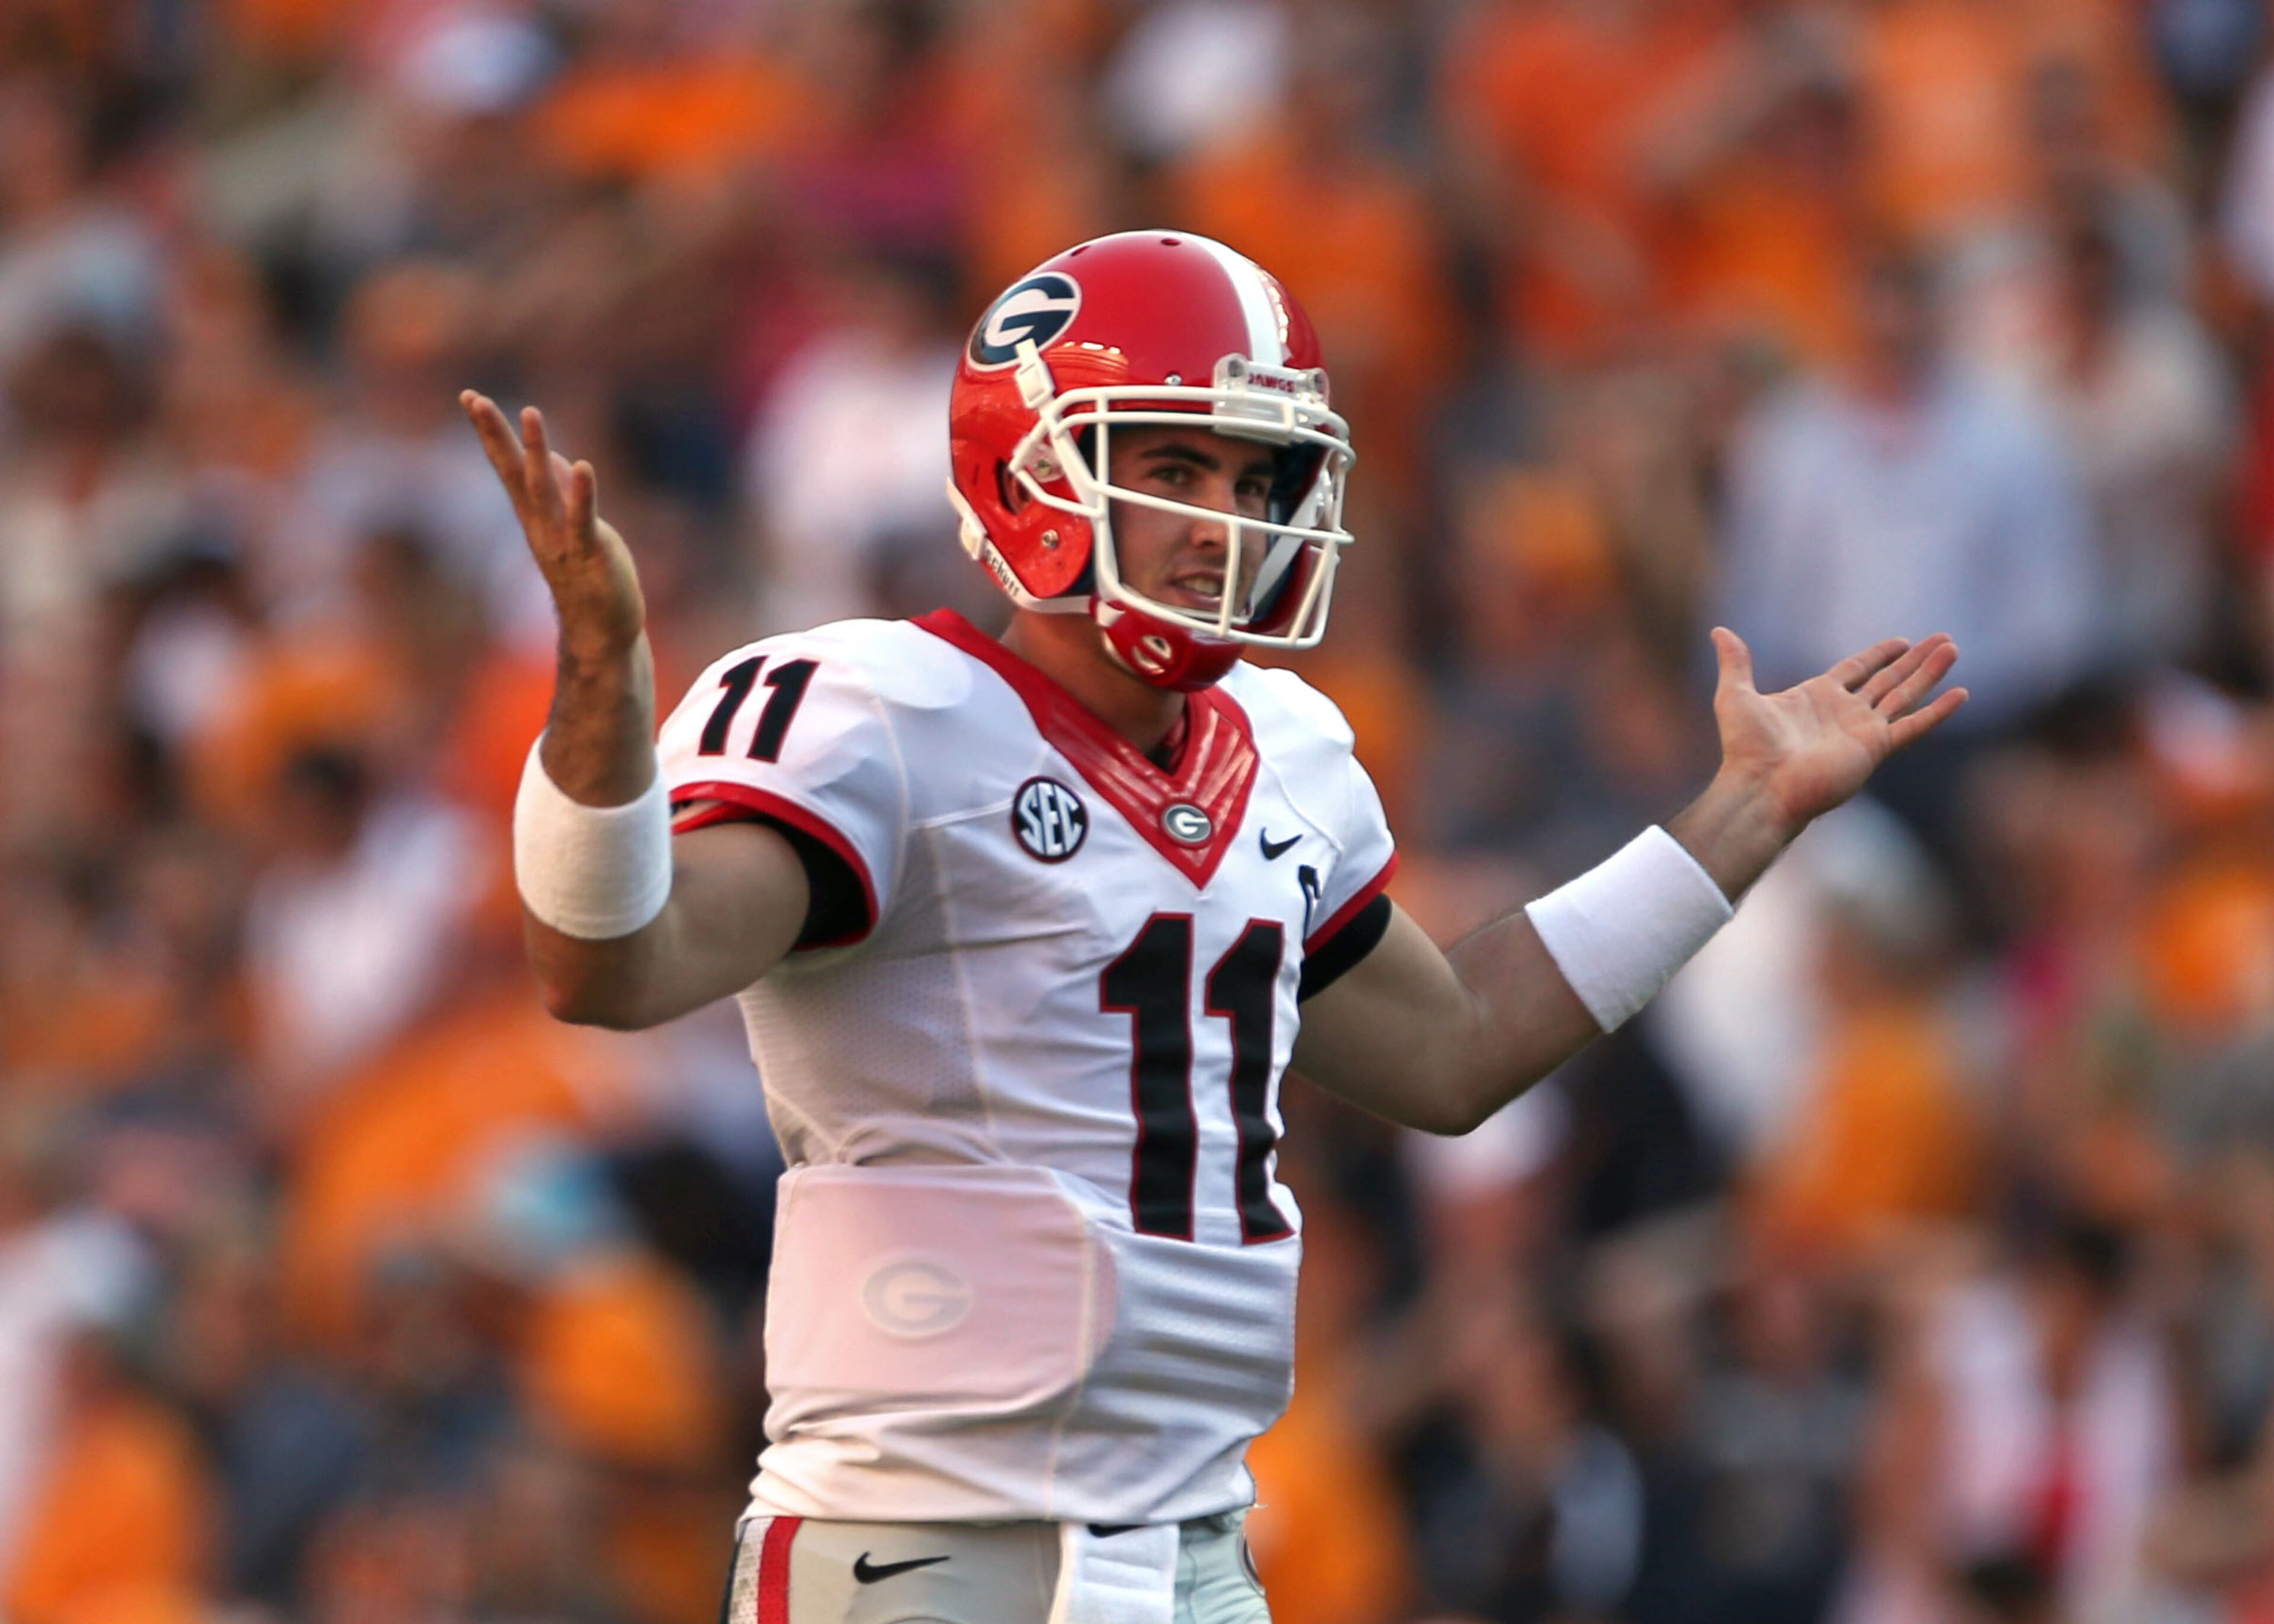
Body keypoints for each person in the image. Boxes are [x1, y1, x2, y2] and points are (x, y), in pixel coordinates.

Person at [464, 230, 1967, 1624]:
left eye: (1258, 479)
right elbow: (611, 965)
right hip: (929, 1536)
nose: (1228, 521)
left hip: (1190, 1534)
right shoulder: (887, 715)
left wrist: (1743, 814)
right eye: (1175, 466)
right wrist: (601, 704)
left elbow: (1458, 1054)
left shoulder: (1291, 747)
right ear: (1033, 478)